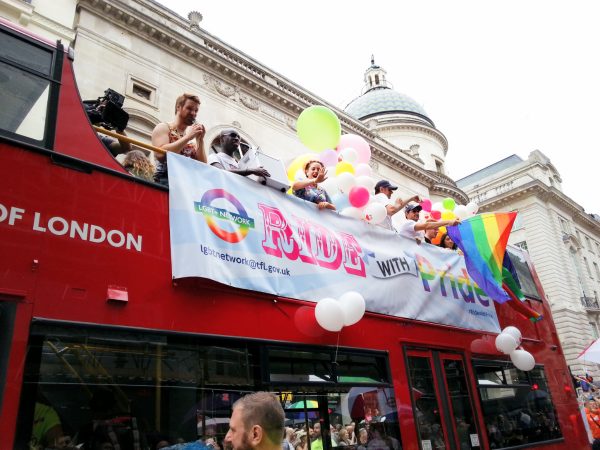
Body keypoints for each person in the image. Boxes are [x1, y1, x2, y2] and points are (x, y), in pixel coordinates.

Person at [151, 93, 207, 185]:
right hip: (165, 181)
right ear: (178, 107)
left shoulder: (191, 140)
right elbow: (160, 154)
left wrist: (200, 140)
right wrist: (188, 137)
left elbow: (203, 166)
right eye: (189, 108)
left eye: (196, 110)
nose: (193, 113)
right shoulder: (163, 127)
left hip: (185, 185)